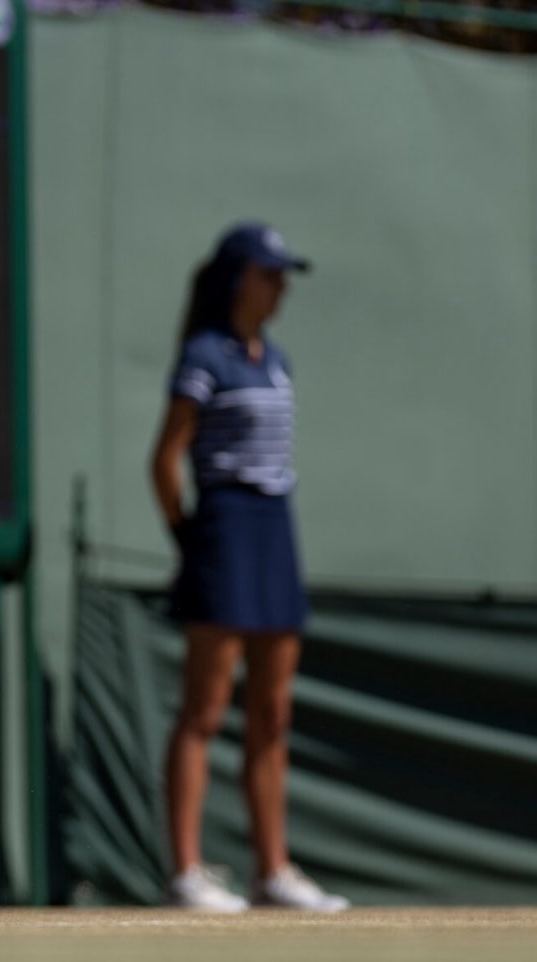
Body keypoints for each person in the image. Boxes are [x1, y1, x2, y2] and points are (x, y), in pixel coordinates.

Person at [148, 223, 348, 914]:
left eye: (284, 274)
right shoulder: (204, 357)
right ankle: (187, 871)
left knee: (272, 711)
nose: (281, 287)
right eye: (270, 273)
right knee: (205, 709)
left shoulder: (278, 361)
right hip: (226, 527)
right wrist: (191, 539)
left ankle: (272, 871)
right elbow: (166, 460)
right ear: (239, 278)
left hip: (275, 530)